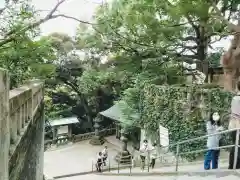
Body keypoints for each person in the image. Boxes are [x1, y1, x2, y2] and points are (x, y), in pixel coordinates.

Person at [228, 81, 240, 169]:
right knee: (236, 145)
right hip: (237, 127)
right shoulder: (237, 99)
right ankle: (233, 165)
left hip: (236, 126)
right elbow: (236, 115)